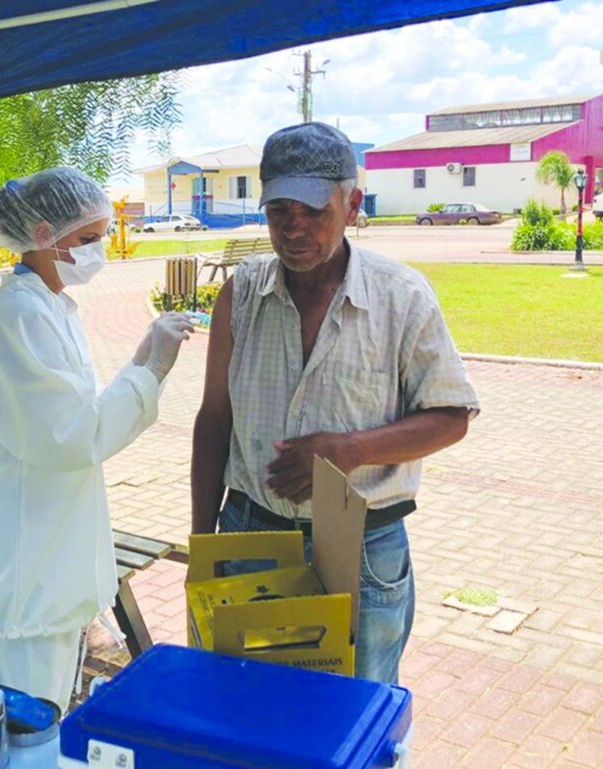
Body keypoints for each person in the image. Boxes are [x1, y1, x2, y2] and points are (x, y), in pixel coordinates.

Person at [191, 123, 480, 685]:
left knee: (355, 717)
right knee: (247, 707)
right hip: (250, 536)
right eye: (279, 211)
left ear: (350, 205)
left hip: (363, 546)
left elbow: (451, 416)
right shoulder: (242, 295)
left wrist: (349, 450)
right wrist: (205, 544)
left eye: (313, 211)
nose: (294, 230)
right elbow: (214, 420)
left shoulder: (402, 297)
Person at [0, 167, 193, 710]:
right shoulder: (19, 318)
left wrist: (141, 359)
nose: (100, 250)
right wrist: (151, 372)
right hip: (21, 568)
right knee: (25, 718)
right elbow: (74, 436)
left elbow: (73, 411)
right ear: (46, 235)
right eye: (88, 239)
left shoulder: (47, 306)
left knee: (35, 710)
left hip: (40, 551)